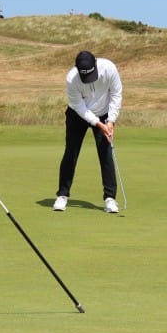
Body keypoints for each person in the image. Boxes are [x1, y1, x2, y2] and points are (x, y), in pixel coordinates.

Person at [53, 50, 123, 214]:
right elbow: (80, 107)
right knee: (71, 152)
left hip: (104, 113)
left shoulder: (109, 69)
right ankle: (62, 195)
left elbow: (116, 94)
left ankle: (110, 198)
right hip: (78, 115)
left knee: (105, 153)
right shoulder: (72, 79)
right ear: (77, 69)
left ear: (96, 65)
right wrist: (98, 124)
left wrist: (111, 120)